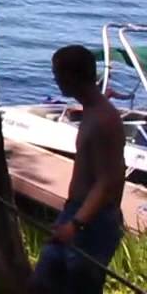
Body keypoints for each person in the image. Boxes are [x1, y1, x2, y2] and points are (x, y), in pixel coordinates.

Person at [29, 44, 125, 294]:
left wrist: (76, 224)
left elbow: (108, 181)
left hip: (93, 222)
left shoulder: (103, 120)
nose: (55, 79)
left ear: (71, 76)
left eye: (57, 73)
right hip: (76, 211)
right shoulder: (92, 110)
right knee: (43, 284)